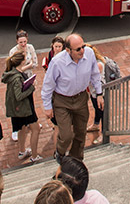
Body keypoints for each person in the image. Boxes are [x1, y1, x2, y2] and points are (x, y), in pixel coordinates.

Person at [41, 33, 103, 161]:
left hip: (80, 99)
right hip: (62, 101)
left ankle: (76, 158)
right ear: (68, 50)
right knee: (66, 135)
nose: (82, 51)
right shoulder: (57, 62)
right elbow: (48, 85)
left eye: (83, 46)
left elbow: (95, 75)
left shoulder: (89, 54)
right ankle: (60, 154)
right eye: (78, 49)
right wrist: (47, 106)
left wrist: (99, 94)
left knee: (81, 132)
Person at [3, 52, 43, 162]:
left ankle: (22, 151)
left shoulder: (13, 72)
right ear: (21, 62)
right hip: (24, 108)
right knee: (36, 129)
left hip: (18, 109)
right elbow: (19, 95)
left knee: (22, 128)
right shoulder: (17, 78)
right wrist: (31, 88)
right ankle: (34, 156)